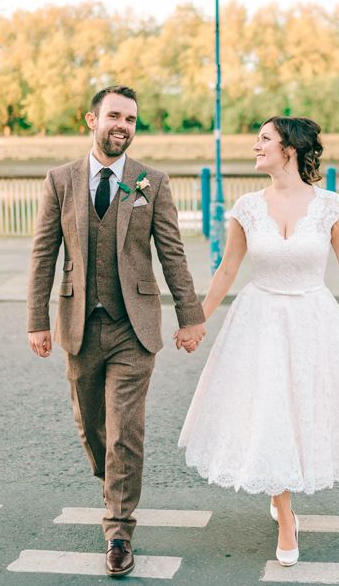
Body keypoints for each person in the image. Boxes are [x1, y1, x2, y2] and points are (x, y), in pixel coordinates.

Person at [177, 116, 339, 567]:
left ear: (289, 149)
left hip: (311, 320)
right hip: (259, 320)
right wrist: (196, 322)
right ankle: (286, 516)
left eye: (264, 139)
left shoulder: (330, 206)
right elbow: (227, 271)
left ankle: (282, 492)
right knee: (271, 411)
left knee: (301, 411)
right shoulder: (247, 206)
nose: (255, 146)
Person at [27, 85, 206, 578]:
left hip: (134, 328)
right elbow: (44, 254)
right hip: (79, 326)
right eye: (114, 116)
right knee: (93, 428)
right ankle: (114, 483)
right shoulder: (60, 180)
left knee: (125, 430)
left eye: (130, 118)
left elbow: (172, 252)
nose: (122, 125)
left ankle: (119, 530)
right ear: (92, 120)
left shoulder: (152, 181)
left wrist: (191, 315)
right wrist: (36, 322)